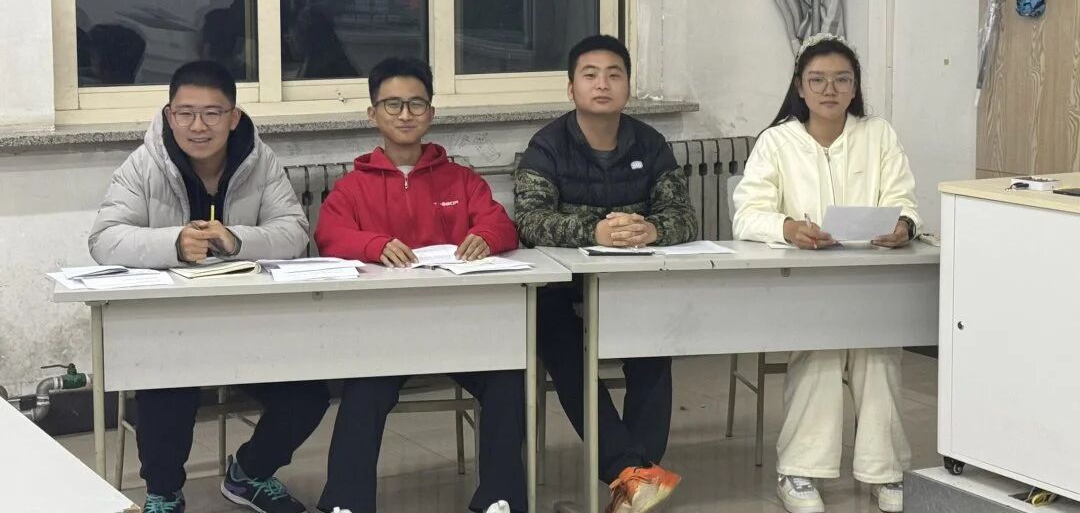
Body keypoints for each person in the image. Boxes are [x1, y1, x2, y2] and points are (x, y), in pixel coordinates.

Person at [88, 60, 329, 513]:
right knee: (165, 385)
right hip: (172, 328)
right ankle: (163, 494)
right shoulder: (145, 164)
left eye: (212, 113)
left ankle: (250, 473)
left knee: (308, 395)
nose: (198, 126)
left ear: (233, 117)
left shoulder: (259, 161)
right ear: (169, 115)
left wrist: (237, 240)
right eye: (185, 113)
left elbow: (294, 231)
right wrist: (173, 244)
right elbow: (104, 239)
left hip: (252, 324)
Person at [313, 56, 522, 513]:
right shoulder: (352, 187)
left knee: (509, 379)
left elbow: (501, 225)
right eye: (392, 105)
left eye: (416, 104)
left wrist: (487, 237)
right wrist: (373, 244)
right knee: (363, 392)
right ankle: (345, 503)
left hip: (460, 326)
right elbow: (329, 235)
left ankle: (500, 499)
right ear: (373, 114)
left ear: (431, 112)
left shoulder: (461, 179)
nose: (405, 114)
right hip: (387, 330)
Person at [732, 32, 920, 513]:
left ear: (855, 88)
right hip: (802, 282)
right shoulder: (777, 141)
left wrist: (903, 226)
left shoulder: (878, 134)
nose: (829, 90)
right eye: (817, 80)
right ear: (800, 87)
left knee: (878, 353)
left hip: (871, 279)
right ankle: (799, 470)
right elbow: (747, 215)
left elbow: (903, 201)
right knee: (821, 350)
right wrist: (788, 227)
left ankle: (885, 471)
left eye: (842, 80)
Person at [513, 35, 697, 513]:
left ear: (628, 86)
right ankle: (633, 474)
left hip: (631, 283)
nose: (602, 84)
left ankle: (633, 482)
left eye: (614, 74)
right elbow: (530, 220)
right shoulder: (547, 145)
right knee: (562, 346)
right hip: (561, 288)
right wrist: (595, 230)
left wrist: (652, 229)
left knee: (653, 348)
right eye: (590, 74)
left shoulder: (650, 144)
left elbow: (683, 216)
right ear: (570, 87)